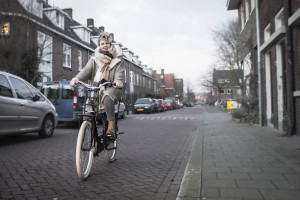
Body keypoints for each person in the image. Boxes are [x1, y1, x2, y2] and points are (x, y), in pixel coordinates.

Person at [70, 32, 124, 135]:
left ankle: (111, 125)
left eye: (107, 43)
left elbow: (119, 73)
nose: (105, 45)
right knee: (89, 110)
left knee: (107, 97)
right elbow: (86, 71)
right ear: (99, 45)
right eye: (102, 43)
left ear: (111, 44)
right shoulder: (94, 58)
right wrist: (76, 79)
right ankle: (92, 142)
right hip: (97, 87)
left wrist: (118, 81)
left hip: (112, 87)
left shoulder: (118, 59)